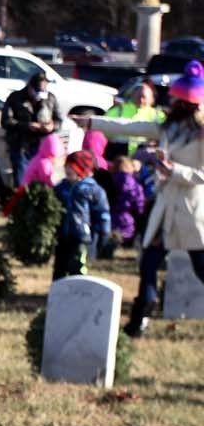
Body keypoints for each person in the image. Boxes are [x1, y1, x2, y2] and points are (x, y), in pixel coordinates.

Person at [79, 60, 204, 336]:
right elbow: (131, 126)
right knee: (148, 263)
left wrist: (175, 170)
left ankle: (141, 315)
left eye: (181, 101)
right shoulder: (168, 127)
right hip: (165, 209)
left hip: (193, 212)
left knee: (201, 267)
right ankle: (139, 319)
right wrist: (92, 123)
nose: (175, 105)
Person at [51, 150, 110, 280]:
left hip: (82, 237)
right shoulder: (63, 187)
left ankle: (78, 294)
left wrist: (104, 233)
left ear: (81, 169)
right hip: (64, 234)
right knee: (60, 266)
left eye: (71, 168)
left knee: (77, 266)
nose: (67, 170)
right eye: (66, 167)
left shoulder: (92, 189)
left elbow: (103, 212)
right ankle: (57, 292)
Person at [1, 72, 61, 187]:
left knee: (42, 183)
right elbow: (6, 121)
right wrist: (27, 126)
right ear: (30, 87)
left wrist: (52, 127)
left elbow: (58, 120)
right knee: (22, 183)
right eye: (37, 92)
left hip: (42, 148)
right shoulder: (15, 98)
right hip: (20, 146)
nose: (38, 96)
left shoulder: (50, 98)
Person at [103, 81, 164, 160]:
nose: (141, 100)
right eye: (138, 96)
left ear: (152, 99)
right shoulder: (118, 111)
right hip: (117, 157)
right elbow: (101, 132)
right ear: (132, 95)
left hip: (144, 160)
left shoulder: (158, 116)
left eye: (144, 97)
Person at [109, 154, 146, 251]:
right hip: (128, 217)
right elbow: (139, 203)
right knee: (124, 242)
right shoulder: (135, 184)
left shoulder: (110, 180)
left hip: (111, 216)